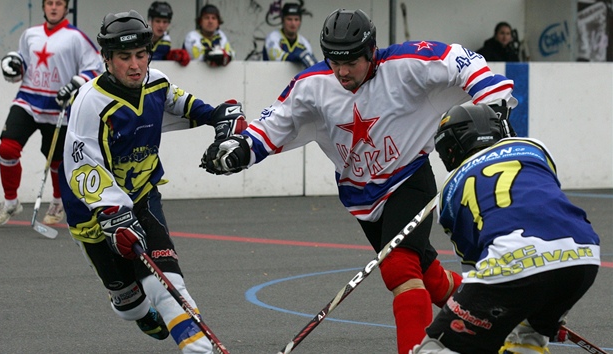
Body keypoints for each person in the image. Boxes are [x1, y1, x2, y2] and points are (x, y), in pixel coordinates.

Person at [201, 8, 518, 353]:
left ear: (371, 52)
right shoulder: (311, 85)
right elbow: (273, 126)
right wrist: (239, 149)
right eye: (334, 61)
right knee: (430, 277)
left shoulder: (406, 64)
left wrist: (494, 107)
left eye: (351, 61)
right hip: (361, 197)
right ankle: (500, 314)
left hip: (409, 177)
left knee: (399, 269)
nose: (342, 71)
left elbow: (464, 60)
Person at [59, 10, 246, 353]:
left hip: (143, 196)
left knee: (167, 281)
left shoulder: (156, 82)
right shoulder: (90, 102)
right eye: (124, 57)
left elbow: (182, 104)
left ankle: (199, 349)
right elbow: (82, 168)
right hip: (93, 211)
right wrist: (112, 211)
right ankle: (137, 309)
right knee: (131, 303)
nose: (135, 65)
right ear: (107, 59)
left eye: (141, 55)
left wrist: (218, 116)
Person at [411, 104, 600, 353]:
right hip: (583, 255)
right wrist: (546, 314)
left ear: (450, 148)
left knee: (435, 347)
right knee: (528, 338)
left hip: (514, 263)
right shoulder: (534, 148)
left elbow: (477, 276)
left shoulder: (449, 191)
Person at [0, 0, 102, 227]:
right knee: (7, 148)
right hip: (28, 100)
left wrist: (75, 84)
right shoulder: (30, 34)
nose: (53, 7)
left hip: (58, 106)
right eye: (49, 3)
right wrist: (13, 65)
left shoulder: (76, 37)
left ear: (66, 8)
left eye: (59, 3)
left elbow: (95, 68)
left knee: (57, 160)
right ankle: (10, 202)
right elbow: (23, 62)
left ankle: (57, 201)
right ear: (43, 7)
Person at [262, 2, 317, 68]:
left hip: (296, 78)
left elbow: (312, 65)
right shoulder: (272, 37)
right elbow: (278, 57)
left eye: (296, 19)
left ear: (300, 21)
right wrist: (296, 56)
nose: (293, 23)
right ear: (282, 20)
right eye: (289, 19)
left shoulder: (304, 43)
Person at [147, 1, 190, 66]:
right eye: (157, 21)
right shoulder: (140, 38)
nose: (161, 25)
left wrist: (172, 56)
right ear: (150, 21)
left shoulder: (166, 41)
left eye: (165, 22)